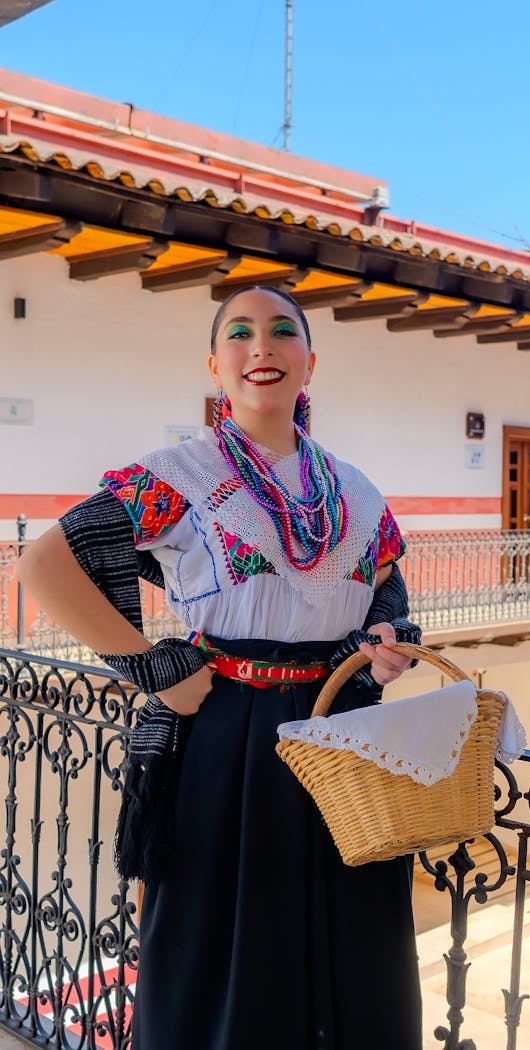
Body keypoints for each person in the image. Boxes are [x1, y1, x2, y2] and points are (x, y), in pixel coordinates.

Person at [16, 286, 423, 1049]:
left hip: (344, 733)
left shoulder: (355, 490)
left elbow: (389, 582)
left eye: (280, 333)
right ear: (216, 364)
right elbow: (46, 563)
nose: (260, 348)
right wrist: (149, 664)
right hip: (231, 739)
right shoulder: (180, 476)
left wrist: (385, 637)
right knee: (231, 945)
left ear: (309, 362)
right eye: (239, 334)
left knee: (353, 941)